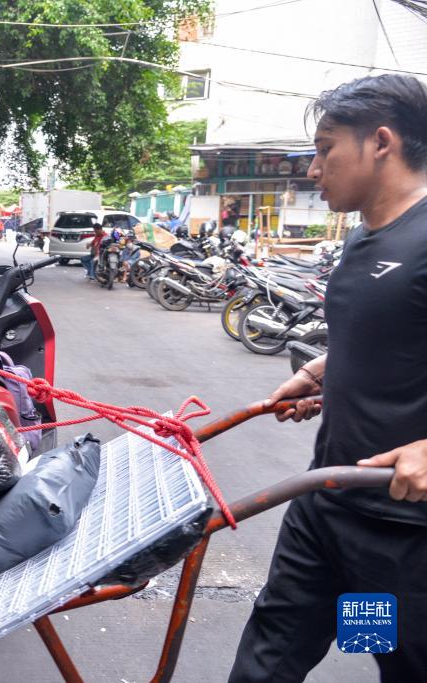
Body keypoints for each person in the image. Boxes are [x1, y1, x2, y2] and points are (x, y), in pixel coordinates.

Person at [229, 74, 427, 682]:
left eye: (325, 148)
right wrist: (324, 370)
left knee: (397, 664)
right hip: (327, 505)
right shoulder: (365, 238)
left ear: (382, 143)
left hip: (404, 533)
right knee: (267, 663)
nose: (314, 170)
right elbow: (386, 334)